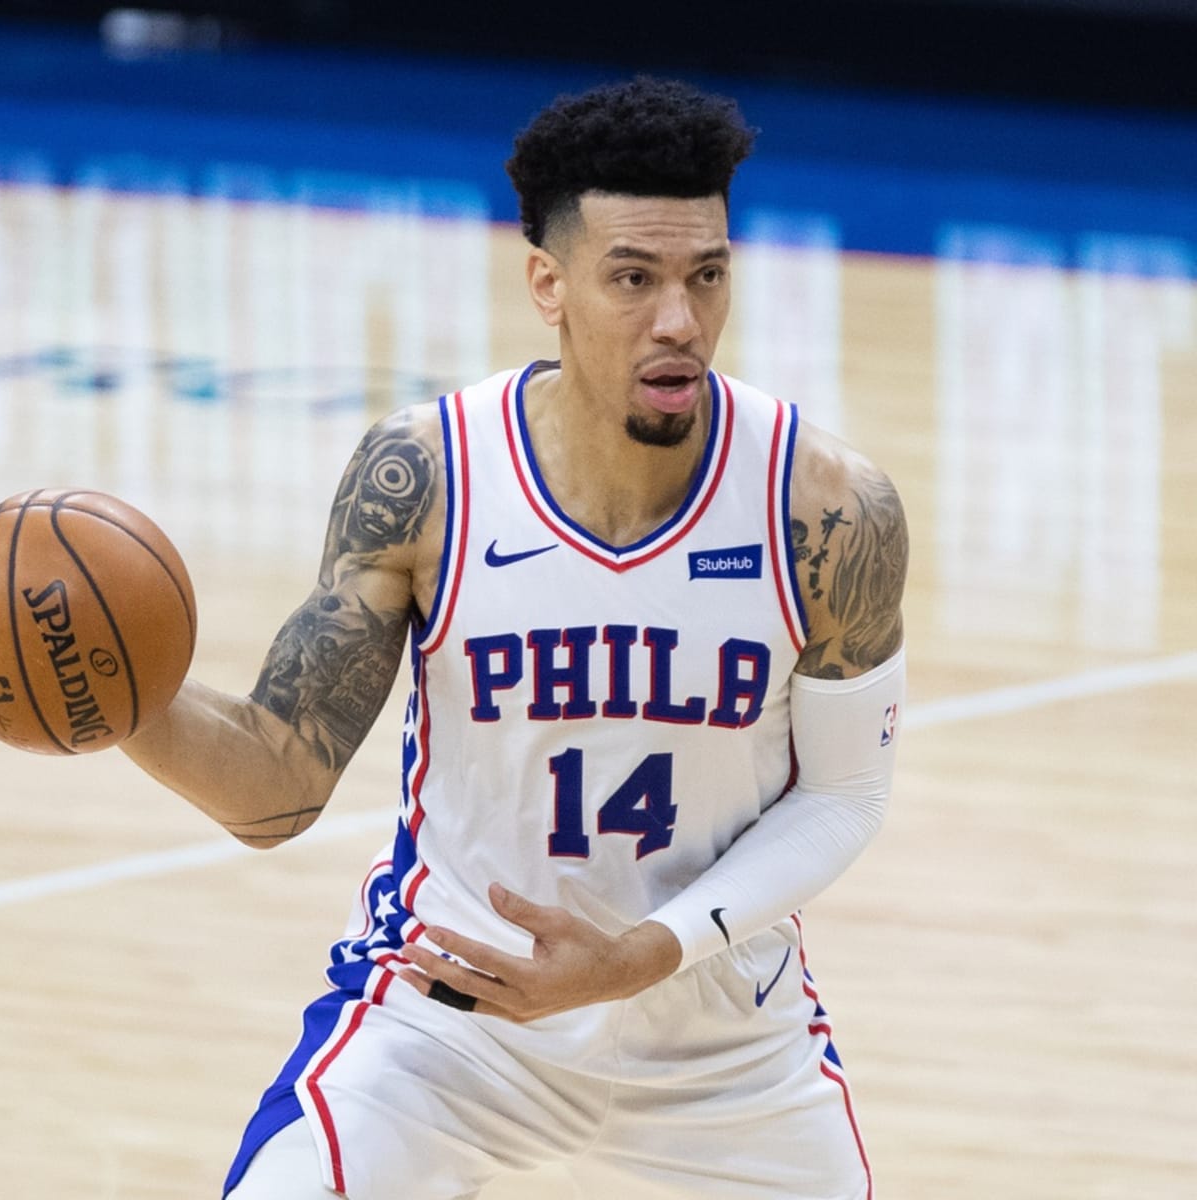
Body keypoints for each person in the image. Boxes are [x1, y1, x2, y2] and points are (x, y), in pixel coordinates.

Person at [123, 75, 908, 1200]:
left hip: (721, 1042)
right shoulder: (428, 479)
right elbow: (277, 783)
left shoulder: (824, 507)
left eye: (707, 275)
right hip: (452, 1022)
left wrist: (640, 956)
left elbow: (844, 797)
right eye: (633, 278)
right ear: (548, 284)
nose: (680, 321)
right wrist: (116, 703)